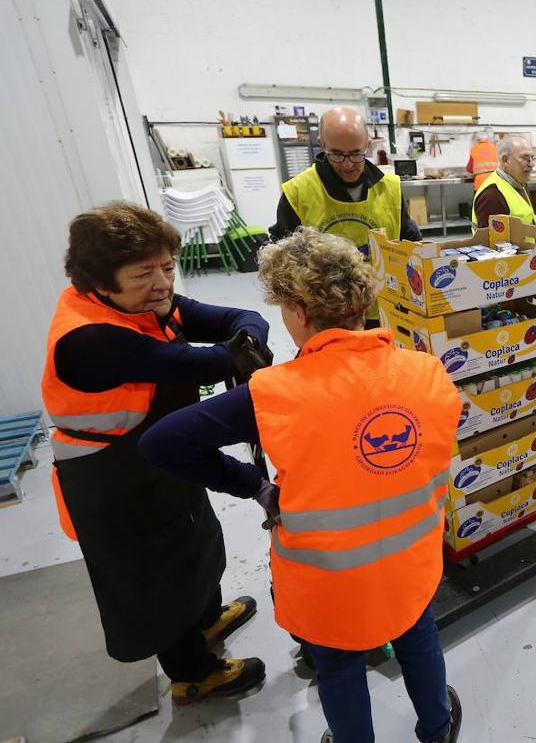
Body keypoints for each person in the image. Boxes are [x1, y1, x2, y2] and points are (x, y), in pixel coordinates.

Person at [139, 228, 464, 743]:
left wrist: (254, 485)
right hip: (409, 561)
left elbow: (162, 443)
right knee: (419, 639)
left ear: (299, 312)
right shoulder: (426, 372)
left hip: (328, 577)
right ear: (362, 300)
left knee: (337, 667)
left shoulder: (274, 393)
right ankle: (438, 729)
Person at [41, 202, 271, 705]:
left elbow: (239, 318)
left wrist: (249, 337)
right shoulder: (91, 337)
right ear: (101, 282)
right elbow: (206, 361)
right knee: (157, 571)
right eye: (143, 273)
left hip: (160, 446)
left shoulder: (139, 302)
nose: (163, 283)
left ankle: (206, 619)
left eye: (167, 267)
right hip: (114, 472)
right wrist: (244, 355)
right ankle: (191, 673)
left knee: (194, 536)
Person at [272, 106, 421, 326]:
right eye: (337, 154)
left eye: (355, 154)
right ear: (321, 145)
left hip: (384, 313)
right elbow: (281, 263)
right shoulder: (298, 192)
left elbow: (411, 242)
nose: (348, 164)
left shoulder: (390, 187)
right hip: (325, 320)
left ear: (368, 145)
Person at [472, 135, 536, 227]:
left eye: (532, 158)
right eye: (525, 158)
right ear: (505, 160)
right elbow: (492, 240)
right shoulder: (493, 195)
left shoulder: (518, 184)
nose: (532, 164)